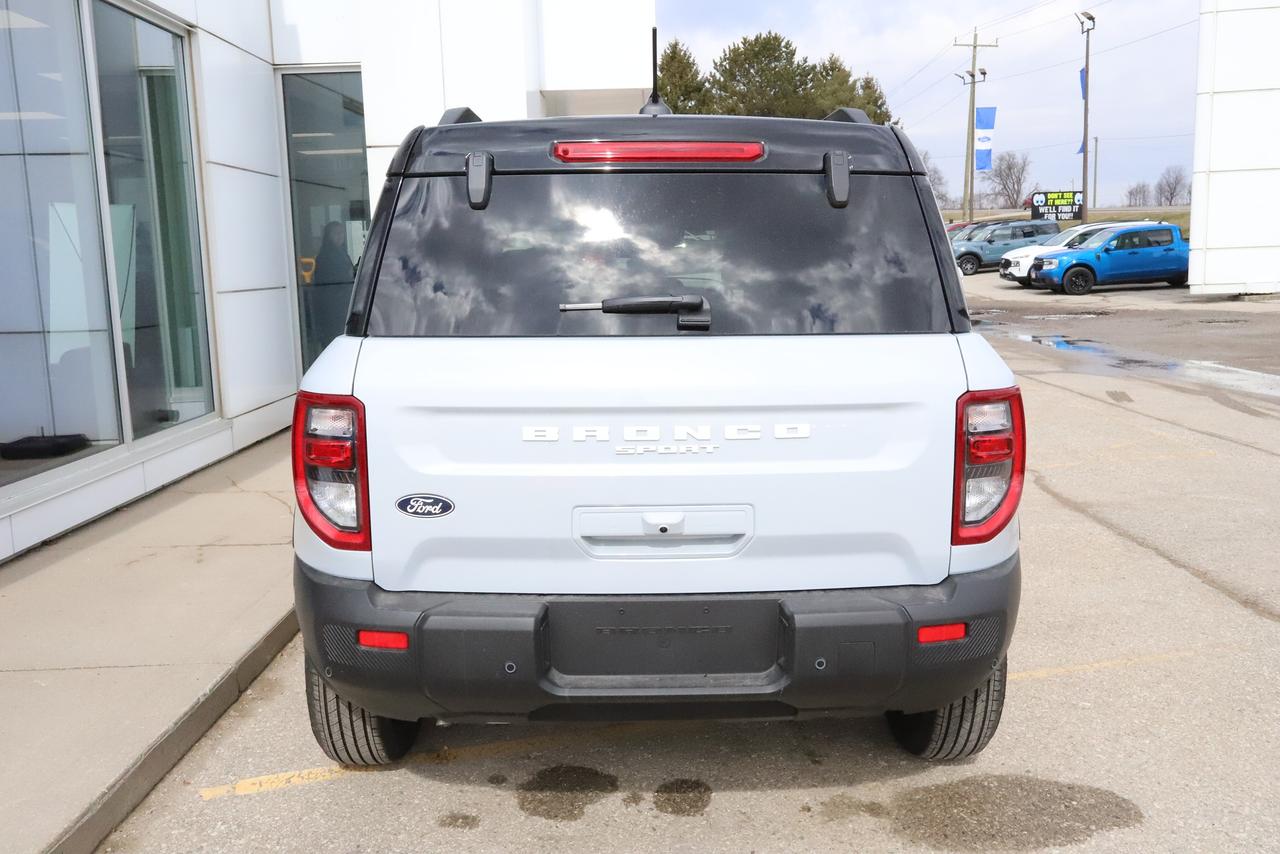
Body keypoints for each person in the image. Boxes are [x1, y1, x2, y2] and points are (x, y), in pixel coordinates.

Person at [304, 222, 355, 366]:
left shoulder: (342, 252)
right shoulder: (326, 256)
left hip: (343, 304)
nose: (340, 237)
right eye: (336, 233)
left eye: (341, 233)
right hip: (332, 307)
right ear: (328, 236)